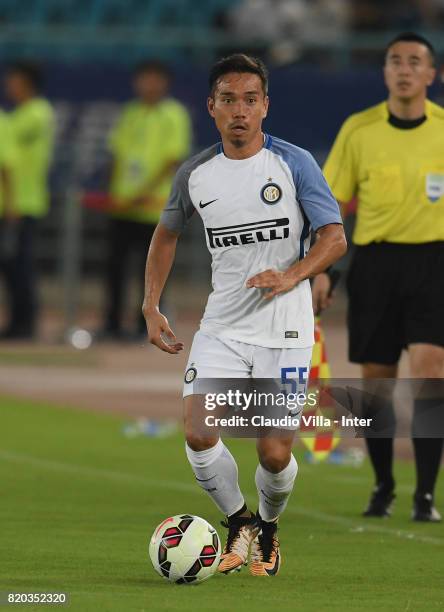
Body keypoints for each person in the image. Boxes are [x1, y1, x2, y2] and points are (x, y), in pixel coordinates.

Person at [143, 54, 346, 576]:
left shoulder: (294, 163)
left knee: (275, 456)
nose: (240, 110)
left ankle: (270, 528)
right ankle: (238, 521)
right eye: (229, 99)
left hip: (287, 328)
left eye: (250, 100)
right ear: (211, 107)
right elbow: (166, 234)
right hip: (223, 327)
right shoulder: (197, 174)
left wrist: (292, 273)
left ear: (265, 107)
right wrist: (150, 303)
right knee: (198, 431)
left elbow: (334, 237)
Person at [313, 32, 444, 522]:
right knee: (376, 384)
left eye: (415, 62)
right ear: (385, 72)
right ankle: (384, 485)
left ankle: (425, 494)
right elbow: (329, 206)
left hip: (435, 263)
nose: (404, 69)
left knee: (433, 373)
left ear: (432, 74)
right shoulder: (360, 129)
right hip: (375, 263)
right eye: (395, 61)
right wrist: (321, 270)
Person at [103, 60, 191, 340]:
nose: (148, 85)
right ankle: (113, 325)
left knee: (153, 273)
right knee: (115, 268)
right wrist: (114, 193)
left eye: (154, 79)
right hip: (123, 206)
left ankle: (147, 327)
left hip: (155, 209)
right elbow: (116, 154)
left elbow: (172, 160)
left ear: (165, 83)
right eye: (144, 79)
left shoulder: (174, 114)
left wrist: (142, 194)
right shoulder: (130, 112)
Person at [0, 62, 54, 340]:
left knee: (20, 266)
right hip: (13, 202)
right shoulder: (16, 116)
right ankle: (17, 323)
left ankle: (25, 325)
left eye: (15, 81)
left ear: (28, 84)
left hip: (23, 202)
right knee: (12, 267)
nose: (10, 86)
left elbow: (7, 156)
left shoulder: (36, 113)